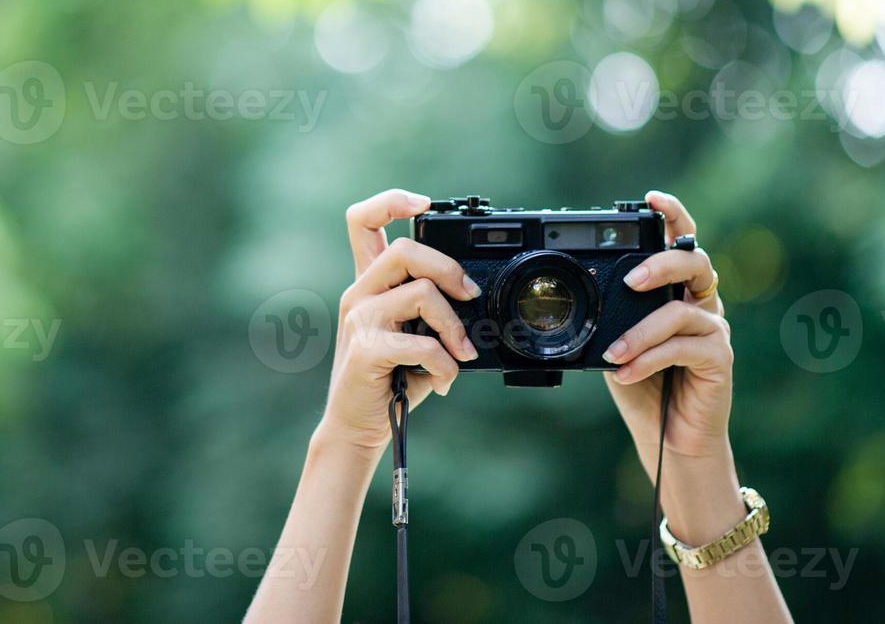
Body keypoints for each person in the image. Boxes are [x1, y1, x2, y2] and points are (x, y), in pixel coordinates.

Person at [247, 189, 794, 623]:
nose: (542, 307)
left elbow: (692, 450)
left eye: (558, 294)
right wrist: (347, 439)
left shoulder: (682, 438)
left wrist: (693, 457)